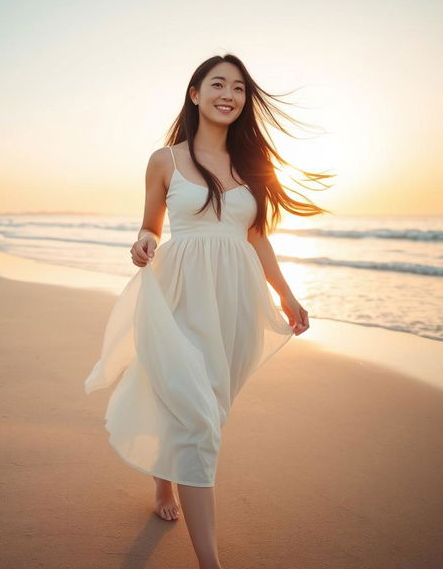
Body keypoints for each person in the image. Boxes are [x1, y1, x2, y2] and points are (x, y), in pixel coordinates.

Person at [84, 53, 333, 569]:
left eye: (239, 88)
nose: (229, 94)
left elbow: (257, 237)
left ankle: (164, 483)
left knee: (207, 405)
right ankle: (209, 562)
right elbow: (151, 225)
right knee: (196, 415)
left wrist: (286, 294)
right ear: (195, 94)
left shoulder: (252, 165)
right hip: (180, 293)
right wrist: (143, 242)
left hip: (235, 302)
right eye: (218, 84)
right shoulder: (165, 160)